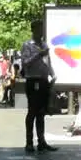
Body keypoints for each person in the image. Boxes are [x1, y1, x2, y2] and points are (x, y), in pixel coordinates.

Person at [20, 20, 57, 152]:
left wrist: (52, 74)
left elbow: (48, 62)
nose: (41, 32)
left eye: (42, 29)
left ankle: (41, 141)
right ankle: (29, 142)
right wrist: (38, 55)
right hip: (33, 80)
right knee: (33, 111)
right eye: (39, 29)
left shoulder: (44, 44)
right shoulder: (27, 45)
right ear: (33, 30)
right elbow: (25, 63)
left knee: (41, 112)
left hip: (43, 81)